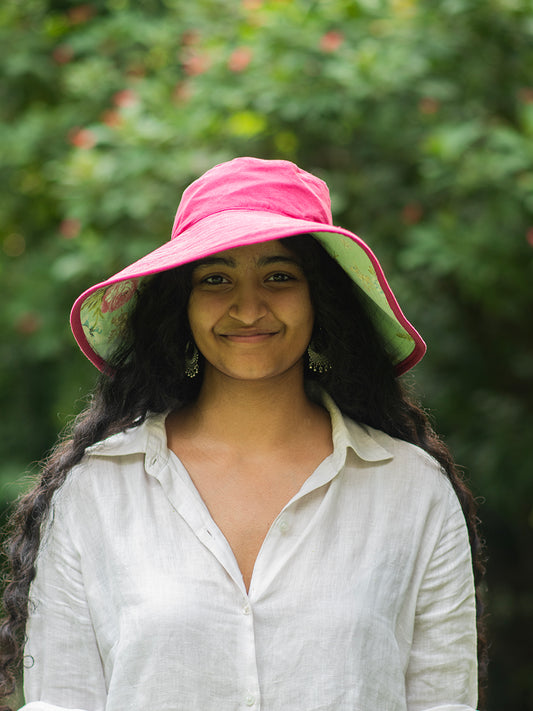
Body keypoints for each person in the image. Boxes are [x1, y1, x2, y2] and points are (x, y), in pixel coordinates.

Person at [0, 157, 486, 711]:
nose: (248, 307)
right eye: (216, 278)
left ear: (320, 299)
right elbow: (61, 701)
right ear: (179, 306)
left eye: (279, 275)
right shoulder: (96, 492)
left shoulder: (413, 491)